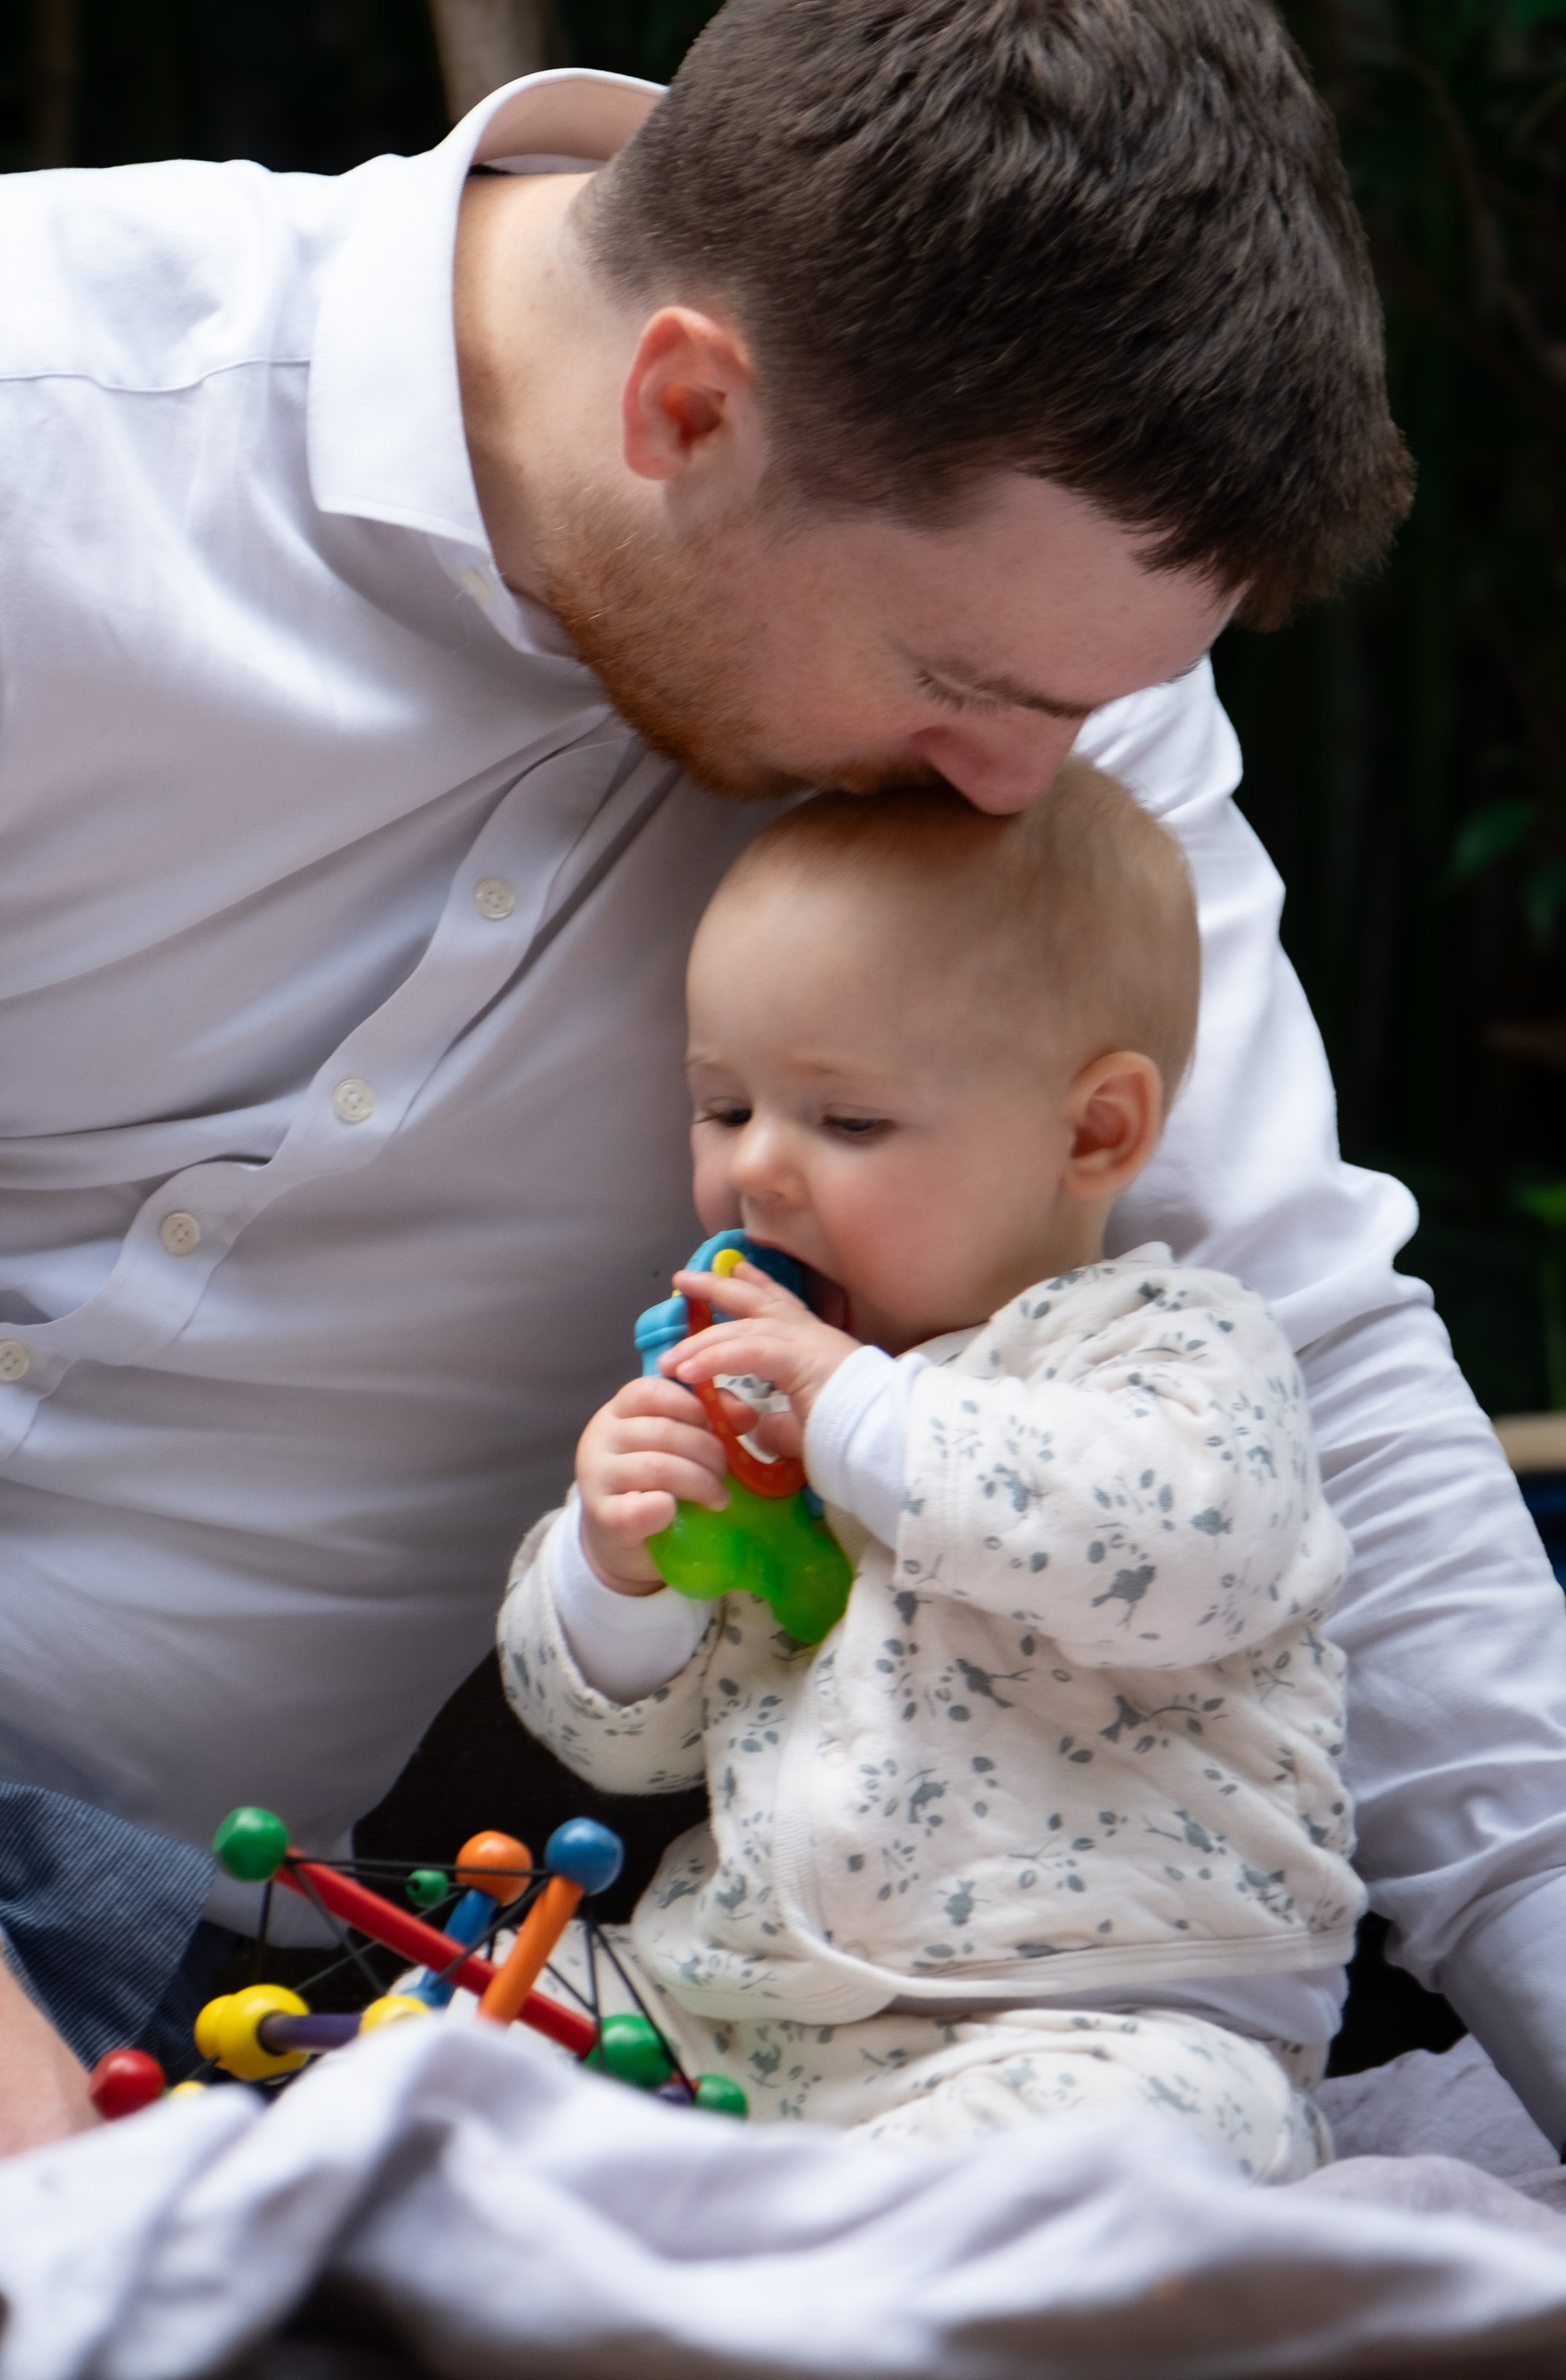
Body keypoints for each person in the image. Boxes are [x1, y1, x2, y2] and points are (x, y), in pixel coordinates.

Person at [0, 0, 1560, 2179]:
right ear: (688, 404)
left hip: (250, 1949)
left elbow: (1314, 1369)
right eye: (960, 685)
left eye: (1072, 708)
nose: (1021, 784)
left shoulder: (1047, 685)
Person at [500, 765, 1360, 2179]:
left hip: (1098, 2015)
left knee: (1146, 2142)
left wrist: (860, 1412)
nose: (760, 1173)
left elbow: (1180, 1556)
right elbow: (624, 1748)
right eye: (725, 1107)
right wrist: (615, 1572)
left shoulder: (1168, 1346)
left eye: (848, 1123)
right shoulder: (759, 1404)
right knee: (471, 2026)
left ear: (1095, 1131)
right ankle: (704, 2231)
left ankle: (791, 2249)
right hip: (745, 2014)